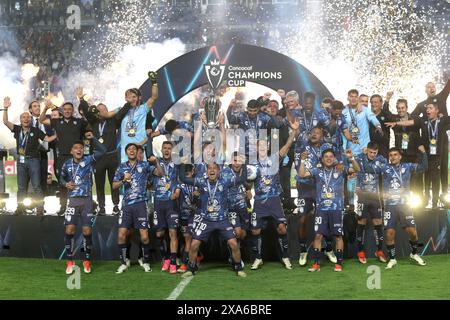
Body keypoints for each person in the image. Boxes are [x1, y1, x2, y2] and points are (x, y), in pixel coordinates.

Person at [360, 146, 428, 269]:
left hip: (405, 204)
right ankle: (392, 258)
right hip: (390, 205)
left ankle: (414, 253)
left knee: (412, 232)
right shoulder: (384, 168)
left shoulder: (407, 167)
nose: (393, 157)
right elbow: (368, 168)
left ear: (400, 156)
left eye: (395, 155)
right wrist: (365, 156)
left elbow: (423, 167)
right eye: (391, 155)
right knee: (390, 233)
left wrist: (424, 153)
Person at [179, 162, 248, 278]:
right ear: (206, 172)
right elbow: (182, 178)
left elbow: (242, 178)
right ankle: (191, 268)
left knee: (233, 243)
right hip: (206, 220)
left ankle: (238, 267)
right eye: (209, 168)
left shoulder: (225, 182)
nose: (212, 170)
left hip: (222, 220)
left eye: (214, 168)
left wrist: (244, 165)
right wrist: (182, 164)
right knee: (194, 244)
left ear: (218, 171)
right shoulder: (201, 182)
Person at [299, 148, 360, 272]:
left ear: (334, 158)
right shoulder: (317, 171)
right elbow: (302, 174)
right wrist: (302, 160)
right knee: (318, 236)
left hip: (336, 209)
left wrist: (351, 158)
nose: (328, 158)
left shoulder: (340, 169)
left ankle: (339, 264)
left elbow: (357, 170)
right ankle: (316, 264)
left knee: (338, 236)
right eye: (326, 156)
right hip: (321, 209)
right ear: (322, 159)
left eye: (331, 156)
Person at [76, 87, 131, 215]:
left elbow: (122, 112)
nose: (101, 112)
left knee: (114, 182)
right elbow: (85, 110)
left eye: (103, 109)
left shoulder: (114, 121)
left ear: (107, 111)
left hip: (112, 157)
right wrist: (81, 99)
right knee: (99, 183)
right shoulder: (93, 121)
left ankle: (116, 205)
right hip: (98, 158)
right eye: (98, 110)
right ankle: (101, 207)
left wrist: (128, 103)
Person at [386, 100, 450, 208]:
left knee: (434, 179)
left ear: (437, 110)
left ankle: (434, 204)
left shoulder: (442, 120)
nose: (427, 110)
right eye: (427, 108)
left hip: (436, 157)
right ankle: (424, 202)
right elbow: (409, 122)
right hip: (424, 155)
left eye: (430, 108)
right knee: (424, 179)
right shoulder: (422, 120)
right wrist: (397, 123)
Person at [113, 143, 163, 274]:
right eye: (129, 149)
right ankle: (123, 263)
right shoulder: (121, 167)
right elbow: (114, 186)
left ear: (137, 152)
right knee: (121, 235)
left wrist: (156, 162)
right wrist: (123, 180)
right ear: (126, 152)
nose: (131, 151)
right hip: (127, 205)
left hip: (141, 204)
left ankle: (145, 261)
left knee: (145, 237)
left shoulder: (145, 165)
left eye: (134, 149)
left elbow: (160, 173)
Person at [60, 135, 107, 275]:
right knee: (69, 231)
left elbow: (103, 150)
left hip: (86, 200)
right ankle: (70, 262)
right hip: (73, 201)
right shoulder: (67, 164)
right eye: (76, 148)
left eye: (81, 148)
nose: (79, 150)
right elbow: (61, 177)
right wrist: (65, 184)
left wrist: (93, 140)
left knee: (87, 232)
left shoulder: (89, 160)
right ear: (71, 151)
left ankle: (87, 260)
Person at [249, 135, 297, 271]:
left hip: (274, 199)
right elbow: (247, 181)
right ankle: (258, 258)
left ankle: (285, 257)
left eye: (265, 145)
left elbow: (285, 148)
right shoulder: (252, 165)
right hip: (259, 200)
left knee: (281, 228)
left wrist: (291, 136)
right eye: (260, 145)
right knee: (255, 230)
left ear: (268, 147)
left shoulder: (274, 159)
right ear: (257, 148)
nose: (263, 147)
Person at [2, 97, 55, 215]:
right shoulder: (17, 129)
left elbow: (47, 138)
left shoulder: (35, 130)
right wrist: (5, 108)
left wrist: (60, 133)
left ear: (30, 119)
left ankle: (40, 208)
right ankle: (20, 208)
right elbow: (5, 122)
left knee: (37, 186)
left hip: (34, 160)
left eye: (28, 117)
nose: (26, 119)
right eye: (23, 117)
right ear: (20, 120)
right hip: (21, 161)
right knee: (21, 187)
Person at [295, 127, 338, 266]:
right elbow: (298, 168)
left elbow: (335, 161)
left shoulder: (327, 147)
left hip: (321, 187)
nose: (314, 135)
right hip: (304, 188)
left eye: (317, 133)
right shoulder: (302, 147)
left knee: (326, 218)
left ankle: (329, 248)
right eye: (312, 133)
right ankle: (302, 250)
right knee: (301, 219)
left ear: (322, 135)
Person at [40, 100, 88, 215]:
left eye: (69, 109)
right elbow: (41, 120)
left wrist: (82, 102)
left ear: (72, 111)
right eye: (65, 109)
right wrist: (45, 109)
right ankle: (63, 207)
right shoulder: (56, 122)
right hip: (62, 156)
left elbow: (89, 121)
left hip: (76, 156)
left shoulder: (79, 122)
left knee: (78, 181)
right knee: (62, 182)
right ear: (62, 111)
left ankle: (78, 206)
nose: (67, 111)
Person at [354, 142, 388, 264]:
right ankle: (360, 251)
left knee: (378, 222)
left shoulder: (380, 159)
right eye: (371, 152)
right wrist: (362, 155)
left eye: (375, 152)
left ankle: (379, 251)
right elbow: (352, 163)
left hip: (375, 196)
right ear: (366, 150)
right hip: (362, 196)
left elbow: (384, 166)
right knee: (361, 222)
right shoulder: (358, 158)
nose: (373, 155)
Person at [152, 141, 180, 274]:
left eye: (169, 148)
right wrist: (156, 162)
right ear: (162, 150)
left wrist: (178, 190)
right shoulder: (155, 163)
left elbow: (180, 180)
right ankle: (166, 257)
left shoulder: (177, 164)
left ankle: (173, 262)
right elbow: (160, 174)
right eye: (165, 148)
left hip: (171, 202)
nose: (167, 150)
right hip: (158, 202)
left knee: (173, 232)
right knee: (159, 233)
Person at [172, 164, 199, 273]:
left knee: (192, 239)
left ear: (193, 172)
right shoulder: (180, 185)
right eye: (185, 174)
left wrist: (199, 194)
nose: (187, 176)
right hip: (183, 216)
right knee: (188, 239)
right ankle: (191, 260)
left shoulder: (197, 184)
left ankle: (185, 263)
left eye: (188, 174)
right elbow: (176, 194)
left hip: (195, 215)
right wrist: (174, 195)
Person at [28, 100, 53, 196]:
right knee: (31, 178)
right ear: (30, 109)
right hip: (31, 154)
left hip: (43, 153)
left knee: (43, 177)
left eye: (39, 106)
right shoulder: (26, 120)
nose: (38, 107)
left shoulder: (47, 119)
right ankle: (29, 203)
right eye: (35, 106)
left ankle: (41, 205)